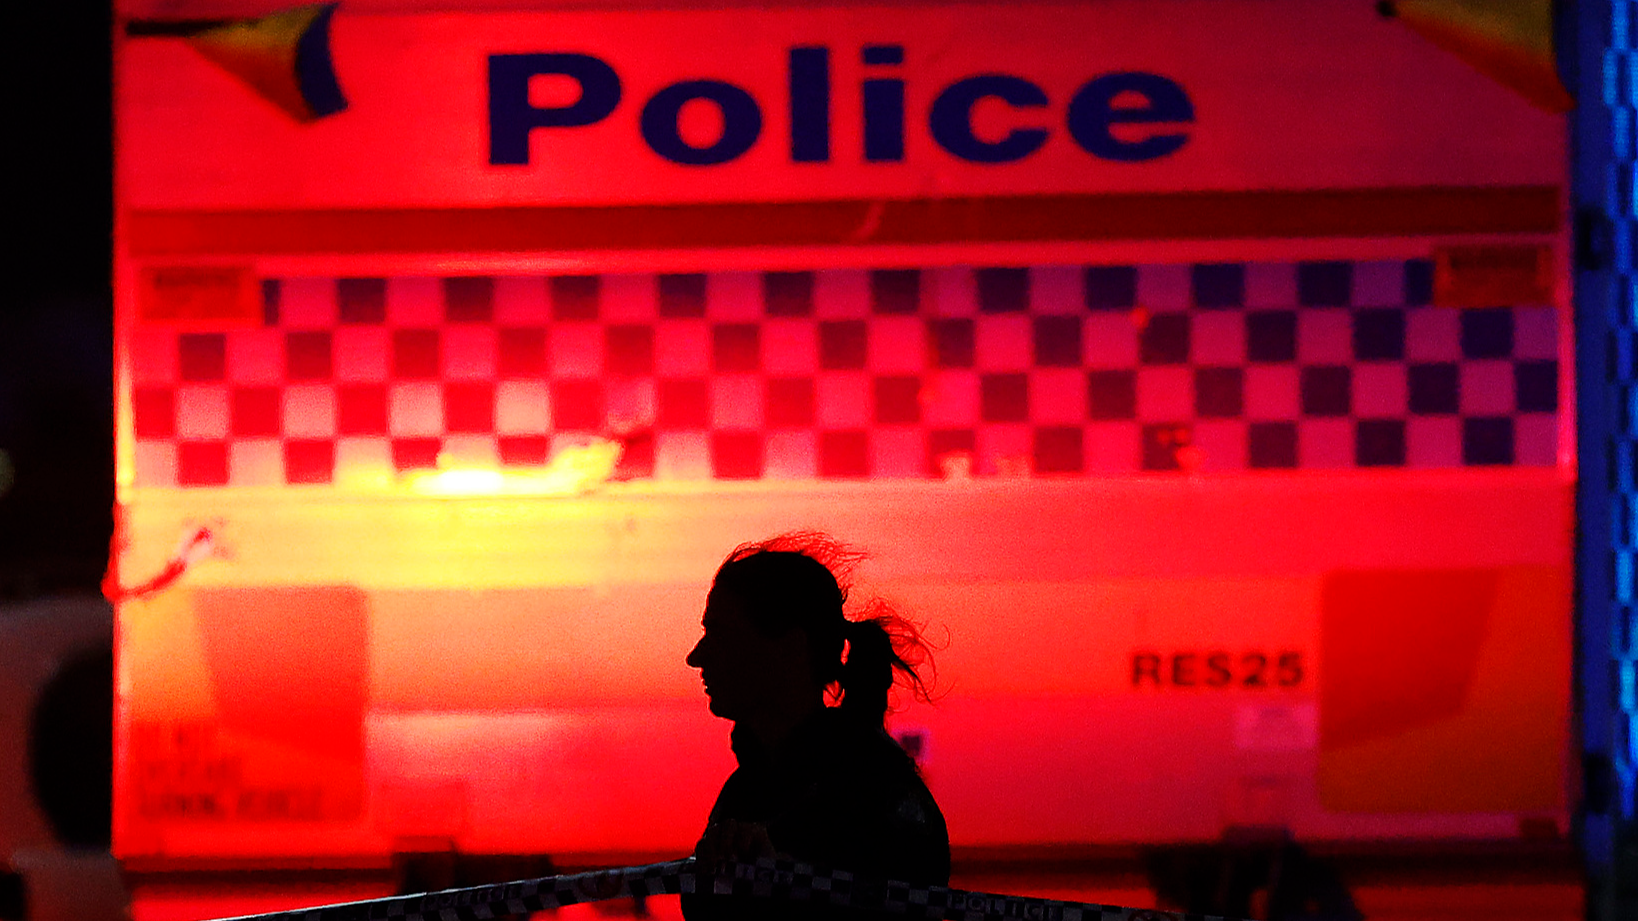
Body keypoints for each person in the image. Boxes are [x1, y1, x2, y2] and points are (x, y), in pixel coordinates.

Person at [680, 533, 949, 921]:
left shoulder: (878, 786)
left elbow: (909, 895)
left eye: (719, 634)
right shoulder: (744, 792)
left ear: (789, 646)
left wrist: (784, 876)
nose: (696, 656)